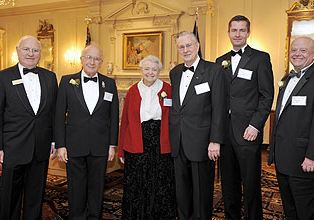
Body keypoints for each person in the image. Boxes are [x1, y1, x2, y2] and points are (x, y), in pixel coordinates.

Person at [0, 35, 58, 220]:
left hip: (41, 147)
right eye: (26, 49)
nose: (31, 53)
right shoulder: (1, 78)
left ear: (40, 54)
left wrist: (54, 140)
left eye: (35, 50)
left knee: (36, 196)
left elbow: (53, 113)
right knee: (10, 195)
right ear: (18, 51)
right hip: (13, 147)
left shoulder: (50, 77)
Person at [268, 36, 314, 220]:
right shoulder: (286, 79)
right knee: (290, 209)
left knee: (309, 211)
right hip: (284, 161)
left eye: (303, 50)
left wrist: (313, 156)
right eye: (294, 50)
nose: (297, 54)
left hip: (306, 162)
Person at [215, 15, 274, 220]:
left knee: (250, 184)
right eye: (234, 30)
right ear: (229, 33)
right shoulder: (220, 61)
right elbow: (220, 98)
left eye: (242, 30)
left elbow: (266, 96)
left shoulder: (260, 58)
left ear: (248, 33)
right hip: (225, 133)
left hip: (248, 131)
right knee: (228, 184)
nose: (237, 34)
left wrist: (256, 125)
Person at [55, 44, 119, 219]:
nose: (92, 61)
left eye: (97, 58)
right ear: (81, 59)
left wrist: (112, 145)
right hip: (74, 145)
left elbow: (114, 117)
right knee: (76, 188)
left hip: (100, 145)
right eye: (89, 57)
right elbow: (59, 116)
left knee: (97, 188)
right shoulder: (67, 81)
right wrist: (60, 145)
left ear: (102, 62)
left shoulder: (110, 83)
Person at [169, 31, 227, 220]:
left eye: (189, 45)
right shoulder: (175, 72)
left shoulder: (214, 70)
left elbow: (219, 108)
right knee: (182, 190)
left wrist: (215, 140)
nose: (185, 50)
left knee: (202, 192)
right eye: (181, 47)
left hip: (203, 143)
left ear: (197, 46)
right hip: (178, 141)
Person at [118, 55, 176, 219]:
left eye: (154, 69)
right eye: (147, 68)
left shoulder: (167, 89)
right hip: (137, 142)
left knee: (160, 183)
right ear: (141, 70)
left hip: (161, 143)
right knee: (138, 183)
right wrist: (121, 150)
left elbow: (174, 118)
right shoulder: (132, 90)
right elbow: (125, 122)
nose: (150, 72)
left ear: (159, 71)